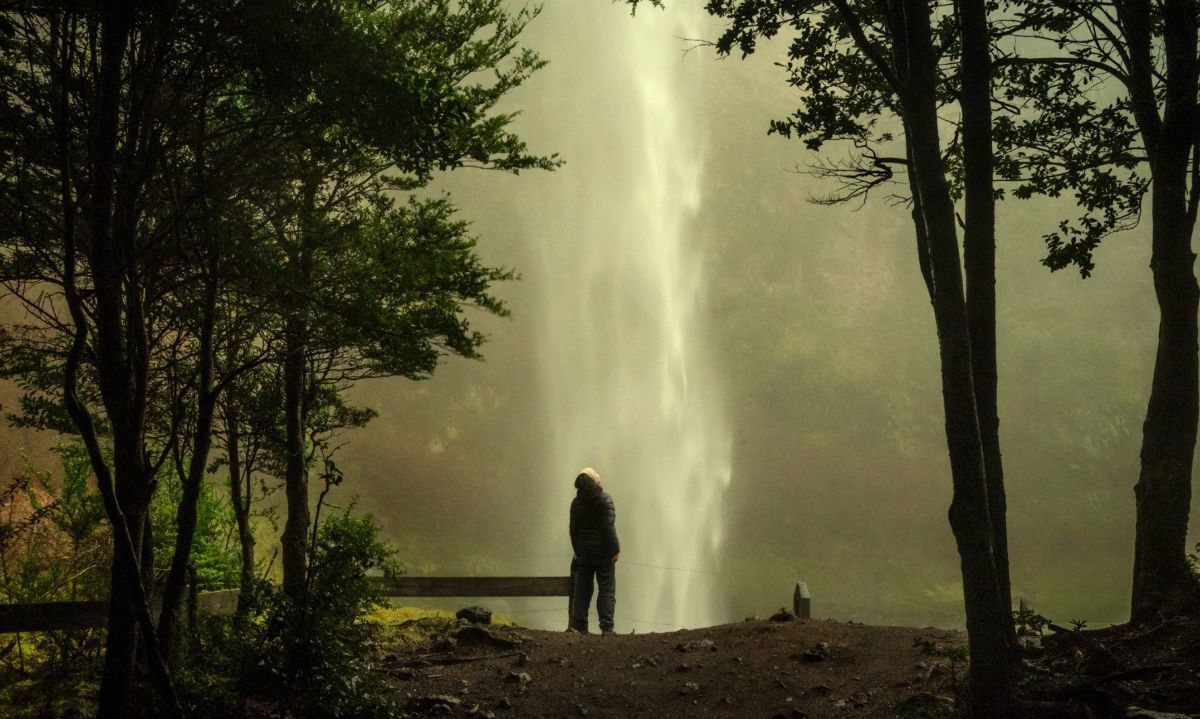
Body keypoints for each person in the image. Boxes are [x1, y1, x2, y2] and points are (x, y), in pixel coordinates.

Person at [568, 467, 619, 635]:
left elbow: (573, 530)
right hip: (604, 554)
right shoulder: (605, 500)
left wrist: (578, 550)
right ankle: (606, 627)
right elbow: (608, 528)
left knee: (582, 590)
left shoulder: (576, 503)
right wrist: (615, 550)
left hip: (584, 553)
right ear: (595, 481)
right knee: (606, 588)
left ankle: (580, 627)